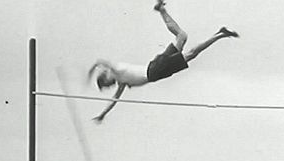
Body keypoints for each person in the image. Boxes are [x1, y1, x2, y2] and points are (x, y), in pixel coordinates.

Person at [88, 0, 239, 122]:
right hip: (155, 66)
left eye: (106, 85)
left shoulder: (116, 70)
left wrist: (90, 72)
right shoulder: (121, 81)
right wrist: (103, 114)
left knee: (191, 54)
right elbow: (114, 100)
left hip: (155, 71)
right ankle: (161, 9)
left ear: (105, 77)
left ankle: (220, 34)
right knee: (182, 36)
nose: (109, 87)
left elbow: (100, 61)